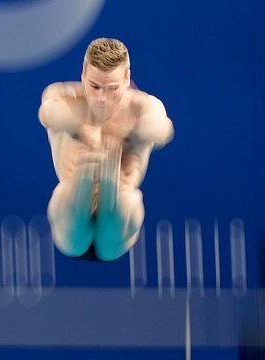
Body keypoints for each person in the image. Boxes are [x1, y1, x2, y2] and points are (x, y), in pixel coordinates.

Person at [38, 37, 174, 261]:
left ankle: (105, 173)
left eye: (112, 88)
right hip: (71, 222)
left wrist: (129, 134)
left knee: (122, 186)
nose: (102, 98)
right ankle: (90, 172)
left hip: (118, 225)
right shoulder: (64, 98)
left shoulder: (142, 107)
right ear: (83, 73)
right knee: (83, 171)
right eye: (95, 87)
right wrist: (81, 129)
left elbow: (162, 128)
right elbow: (48, 113)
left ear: (127, 78)